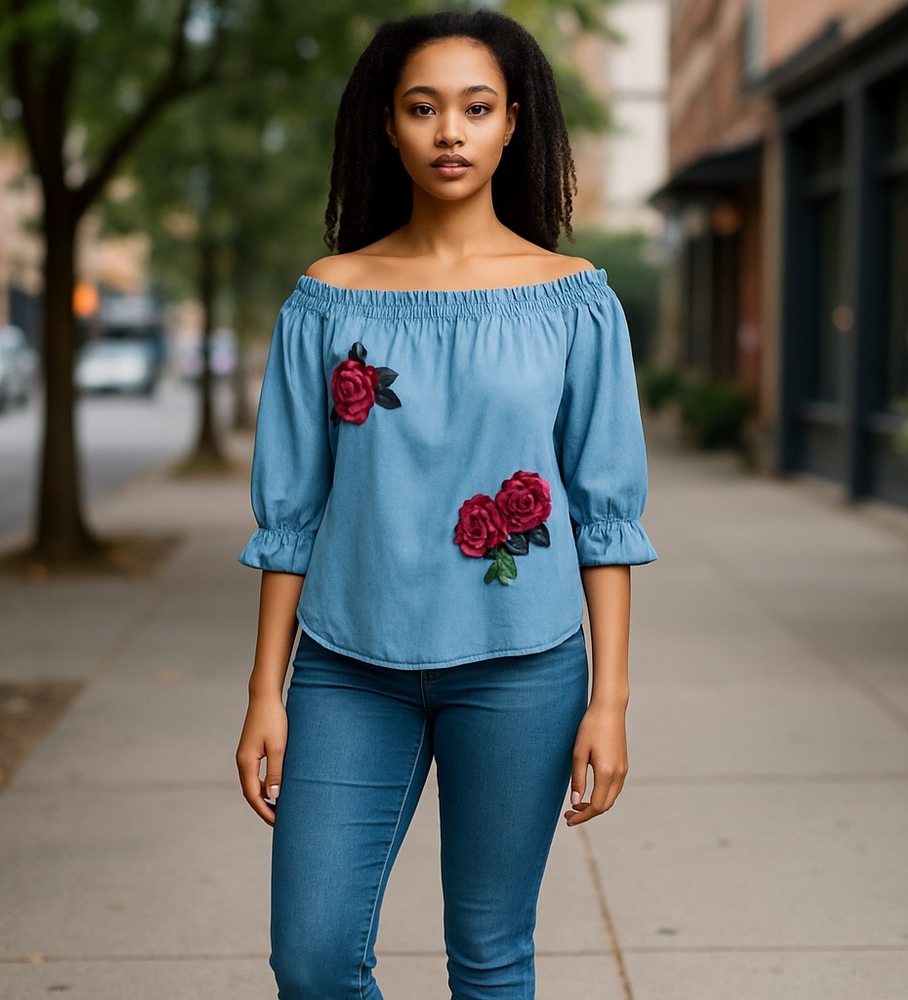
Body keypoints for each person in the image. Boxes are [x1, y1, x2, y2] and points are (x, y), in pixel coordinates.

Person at [236, 9, 657, 999]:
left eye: (476, 108)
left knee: (491, 955)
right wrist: (264, 689)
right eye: (423, 108)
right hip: (346, 667)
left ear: (516, 123)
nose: (450, 132)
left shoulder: (575, 299)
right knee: (311, 957)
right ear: (387, 124)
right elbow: (290, 511)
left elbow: (605, 514)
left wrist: (612, 698)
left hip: (523, 665)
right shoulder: (327, 298)